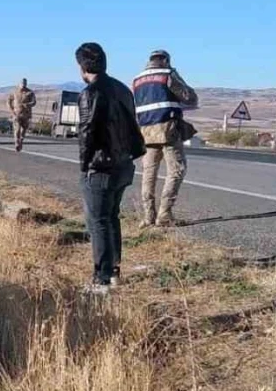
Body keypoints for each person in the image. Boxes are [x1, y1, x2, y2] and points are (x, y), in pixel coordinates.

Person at [76, 43, 145, 291]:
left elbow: (87, 133)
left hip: (101, 167)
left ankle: (101, 277)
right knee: (111, 217)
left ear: (83, 67)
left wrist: (84, 166)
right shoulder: (122, 89)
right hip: (123, 164)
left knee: (98, 222)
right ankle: (114, 271)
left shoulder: (90, 93)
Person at [132, 50, 199, 228]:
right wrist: (177, 76)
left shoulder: (137, 79)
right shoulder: (167, 75)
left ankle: (148, 216)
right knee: (177, 169)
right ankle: (165, 214)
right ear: (165, 60)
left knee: (148, 173)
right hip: (167, 129)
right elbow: (189, 98)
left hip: (146, 131)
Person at [6, 78, 37, 152]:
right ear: (19, 84)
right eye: (22, 84)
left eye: (24, 84)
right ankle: (17, 142)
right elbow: (8, 101)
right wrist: (11, 110)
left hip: (26, 115)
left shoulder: (30, 93)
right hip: (16, 114)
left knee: (23, 130)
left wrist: (28, 105)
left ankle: (21, 141)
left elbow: (34, 102)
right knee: (17, 129)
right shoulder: (15, 92)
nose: (23, 85)